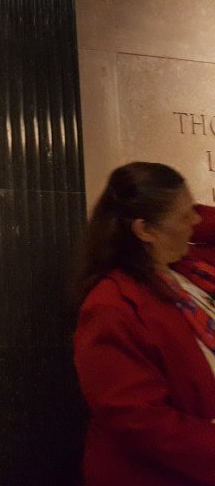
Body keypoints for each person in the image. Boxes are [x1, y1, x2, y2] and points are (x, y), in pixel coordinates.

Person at [73, 162, 215, 486]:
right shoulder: (111, 307)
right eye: (185, 215)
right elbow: (139, 421)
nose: (195, 220)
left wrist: (182, 209)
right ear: (144, 230)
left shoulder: (183, 268)